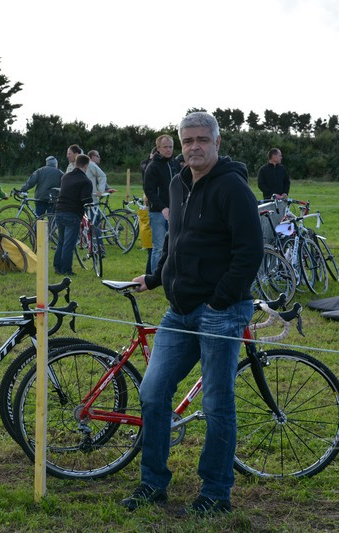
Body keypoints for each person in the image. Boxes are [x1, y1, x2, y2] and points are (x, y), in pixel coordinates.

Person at [121, 112, 263, 516]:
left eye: (202, 139)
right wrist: (156, 277)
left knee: (217, 403)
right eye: (188, 141)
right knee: (152, 392)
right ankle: (153, 483)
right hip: (178, 311)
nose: (195, 146)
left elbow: (249, 252)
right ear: (179, 146)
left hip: (220, 312)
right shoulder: (176, 183)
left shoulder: (233, 188)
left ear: (217, 142)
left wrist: (220, 300)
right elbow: (175, 243)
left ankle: (216, 492)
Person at [142, 134, 181, 273]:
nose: (169, 150)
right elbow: (149, 190)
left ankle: (170, 273)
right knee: (158, 247)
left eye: (171, 147)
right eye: (165, 147)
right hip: (158, 212)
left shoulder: (175, 164)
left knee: (174, 245)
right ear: (158, 148)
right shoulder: (152, 167)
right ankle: (154, 276)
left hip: (176, 210)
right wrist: (163, 207)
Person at [53, 154, 93, 276]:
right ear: (86, 166)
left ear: (75, 163)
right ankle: (66, 269)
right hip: (72, 213)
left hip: (59, 211)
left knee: (61, 241)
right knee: (69, 244)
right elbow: (86, 200)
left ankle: (57, 266)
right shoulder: (85, 181)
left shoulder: (65, 177)